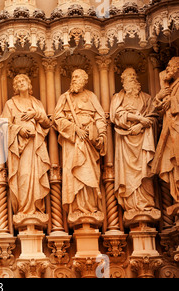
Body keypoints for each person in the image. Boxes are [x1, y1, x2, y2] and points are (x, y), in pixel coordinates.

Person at [53, 69, 107, 216]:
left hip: (90, 140)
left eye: (77, 77)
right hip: (72, 141)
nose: (74, 80)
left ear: (84, 80)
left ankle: (90, 206)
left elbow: (100, 117)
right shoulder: (65, 98)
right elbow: (57, 119)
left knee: (91, 174)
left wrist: (101, 134)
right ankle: (77, 207)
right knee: (75, 174)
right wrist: (75, 129)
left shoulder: (91, 96)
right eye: (73, 77)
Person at [1, 74, 51, 216]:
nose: (21, 83)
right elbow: (3, 124)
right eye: (18, 82)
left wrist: (36, 114)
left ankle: (36, 208)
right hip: (19, 148)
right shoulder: (11, 103)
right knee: (23, 176)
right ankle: (23, 209)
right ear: (15, 87)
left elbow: (47, 124)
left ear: (29, 85)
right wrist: (19, 130)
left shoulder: (36, 103)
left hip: (35, 146)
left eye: (24, 81)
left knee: (35, 177)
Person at [110, 67, 158, 212]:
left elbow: (154, 118)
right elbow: (115, 116)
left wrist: (141, 126)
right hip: (125, 142)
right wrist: (138, 118)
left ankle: (146, 204)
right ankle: (131, 205)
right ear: (122, 80)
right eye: (128, 75)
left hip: (143, 141)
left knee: (145, 173)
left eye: (134, 75)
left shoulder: (147, 98)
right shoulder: (118, 98)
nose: (132, 77)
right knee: (128, 175)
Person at [152, 56, 179, 216]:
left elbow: (172, 106)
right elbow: (159, 111)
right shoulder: (169, 87)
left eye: (170, 66)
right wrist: (162, 90)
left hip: (176, 129)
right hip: (170, 130)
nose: (167, 69)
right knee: (173, 166)